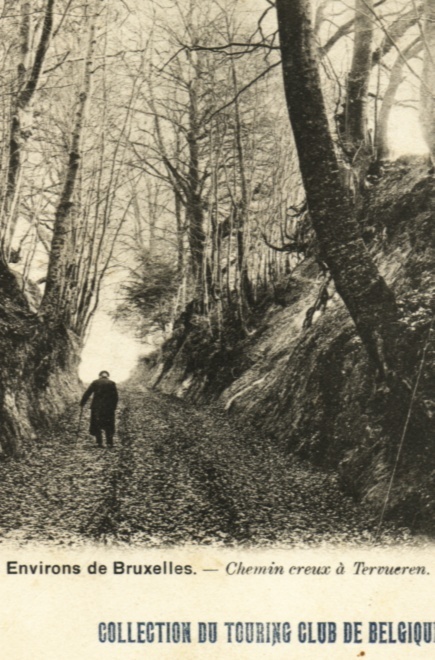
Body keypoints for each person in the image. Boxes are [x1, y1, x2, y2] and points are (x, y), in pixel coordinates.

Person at [80, 370, 118, 448]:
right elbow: (115, 397)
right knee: (109, 424)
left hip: (96, 407)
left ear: (100, 376)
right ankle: (109, 443)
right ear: (107, 376)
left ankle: (99, 442)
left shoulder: (95, 382)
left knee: (97, 424)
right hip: (108, 408)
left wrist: (82, 403)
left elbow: (87, 393)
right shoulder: (112, 383)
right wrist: (113, 407)